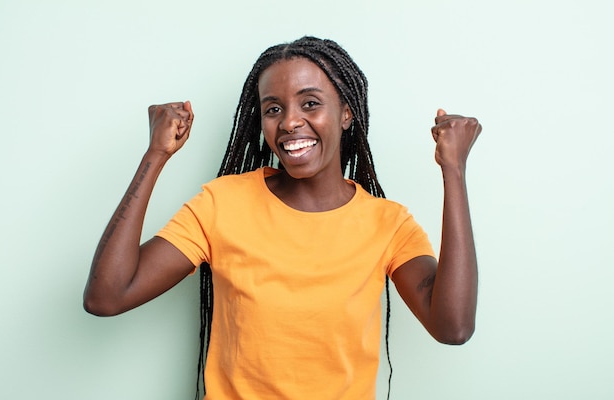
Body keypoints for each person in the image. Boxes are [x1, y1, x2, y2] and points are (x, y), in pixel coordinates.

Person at [84, 36, 481, 399]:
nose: (290, 121)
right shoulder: (223, 203)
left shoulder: (388, 224)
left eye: (310, 103)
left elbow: (453, 327)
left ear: (346, 113)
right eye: (274, 108)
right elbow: (107, 296)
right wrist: (155, 155)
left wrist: (454, 170)